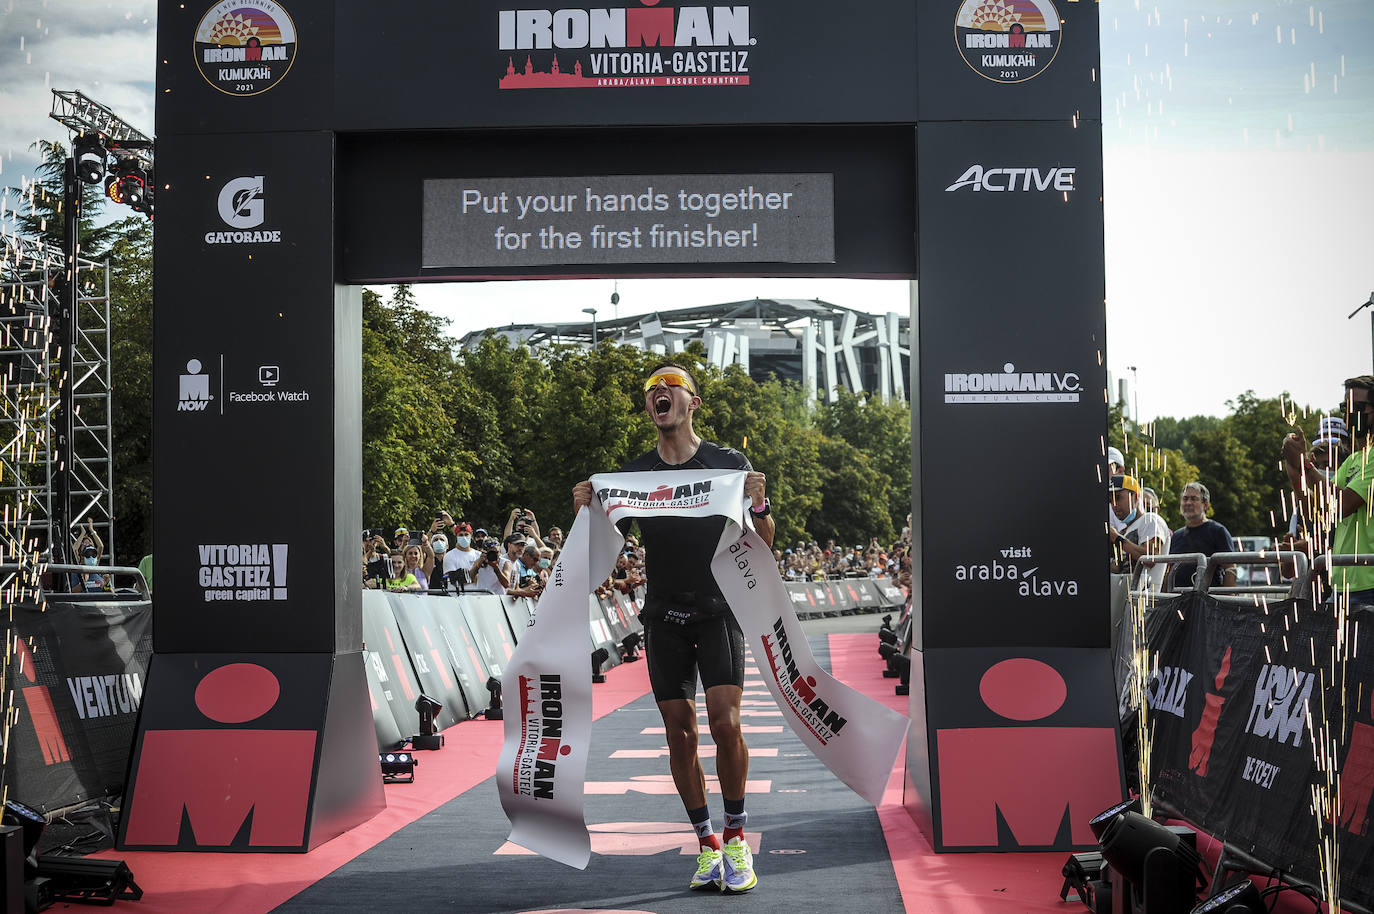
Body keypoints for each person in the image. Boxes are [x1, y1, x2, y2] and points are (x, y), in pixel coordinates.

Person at [572, 362, 772, 894]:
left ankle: (736, 839)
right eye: (651, 390)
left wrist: (760, 501)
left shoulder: (728, 464)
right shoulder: (633, 476)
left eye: (670, 387)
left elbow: (765, 538)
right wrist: (587, 512)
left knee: (726, 725)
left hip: (718, 610)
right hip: (663, 616)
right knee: (680, 735)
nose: (659, 394)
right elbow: (599, 551)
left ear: (693, 402)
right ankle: (706, 845)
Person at [1284, 379, 1374, 605]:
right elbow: (1324, 506)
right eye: (1345, 408)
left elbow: (1342, 505)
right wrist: (1296, 471)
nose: (1349, 414)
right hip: (1343, 584)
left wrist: (1305, 465)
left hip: (1369, 585)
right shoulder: (1355, 459)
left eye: (1357, 408)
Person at [1168, 482, 1236, 590]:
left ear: (1206, 505)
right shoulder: (1176, 536)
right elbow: (1168, 571)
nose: (1188, 503)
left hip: (1207, 601)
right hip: (1178, 601)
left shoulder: (1218, 531)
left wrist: (1226, 599)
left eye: (1194, 499)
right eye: (1185, 499)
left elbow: (1230, 569)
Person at [1107, 475, 1171, 591]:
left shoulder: (1150, 519)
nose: (1114, 505)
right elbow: (1118, 568)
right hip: (1125, 598)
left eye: (1118, 498)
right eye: (1111, 501)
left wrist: (1116, 538)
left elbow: (1151, 558)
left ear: (1135, 497)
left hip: (1143, 601)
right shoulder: (1125, 531)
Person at [442, 521, 479, 592]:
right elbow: (454, 579)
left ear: (471, 535)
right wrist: (475, 573)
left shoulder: (479, 555)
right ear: (456, 536)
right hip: (457, 598)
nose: (464, 537)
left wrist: (466, 575)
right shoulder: (449, 556)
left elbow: (483, 579)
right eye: (461, 535)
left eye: (466, 534)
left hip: (477, 597)